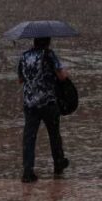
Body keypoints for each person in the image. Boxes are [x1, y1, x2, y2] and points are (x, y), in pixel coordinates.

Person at [17, 36, 70, 183]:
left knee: (29, 138)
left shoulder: (24, 56)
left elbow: (20, 79)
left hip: (30, 104)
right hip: (48, 103)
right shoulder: (49, 54)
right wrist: (64, 74)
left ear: (34, 41)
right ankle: (58, 163)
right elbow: (61, 76)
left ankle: (28, 172)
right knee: (54, 134)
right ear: (47, 42)